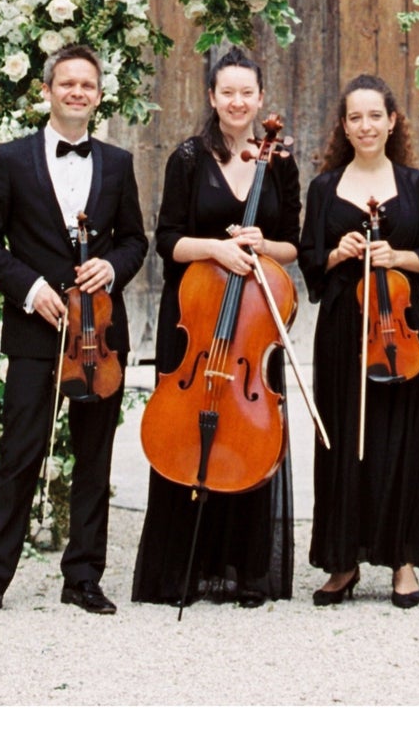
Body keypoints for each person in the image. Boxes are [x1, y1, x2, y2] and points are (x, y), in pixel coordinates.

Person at [0, 44, 148, 622]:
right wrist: (31, 289)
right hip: (37, 333)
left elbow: (136, 240)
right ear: (46, 90)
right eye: (67, 83)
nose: (77, 93)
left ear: (98, 94)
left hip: (101, 335)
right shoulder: (10, 159)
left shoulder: (116, 163)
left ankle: (83, 578)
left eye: (87, 85)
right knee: (21, 454)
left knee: (94, 458)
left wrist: (112, 266)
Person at [130, 45, 301, 608]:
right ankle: (178, 571)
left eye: (246, 92)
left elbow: (293, 247)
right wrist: (217, 249)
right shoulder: (187, 158)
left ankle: (245, 571)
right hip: (197, 327)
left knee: (248, 435)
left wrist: (261, 245)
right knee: (184, 437)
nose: (237, 101)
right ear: (212, 97)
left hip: (251, 326)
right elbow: (167, 241)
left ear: (259, 98)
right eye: (226, 92)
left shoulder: (280, 161)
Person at [299, 74, 419, 609]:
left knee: (403, 441)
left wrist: (396, 257)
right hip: (343, 332)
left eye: (375, 116)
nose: (366, 126)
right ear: (344, 125)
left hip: (401, 332)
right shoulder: (323, 188)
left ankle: (402, 561)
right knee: (342, 443)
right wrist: (337, 253)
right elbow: (309, 261)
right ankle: (342, 562)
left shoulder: (414, 184)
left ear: (392, 121)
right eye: (355, 117)